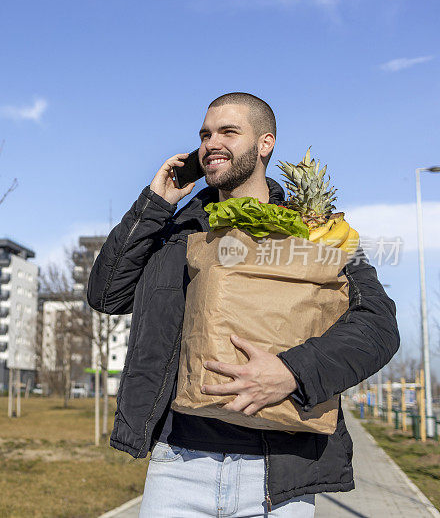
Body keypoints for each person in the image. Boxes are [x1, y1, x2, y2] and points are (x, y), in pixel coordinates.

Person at [87, 92, 400, 517]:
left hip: (278, 474)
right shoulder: (175, 230)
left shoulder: (319, 231)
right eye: (205, 134)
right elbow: (107, 295)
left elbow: (378, 325)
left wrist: (293, 371)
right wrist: (156, 203)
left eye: (228, 132)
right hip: (177, 465)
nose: (211, 143)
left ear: (265, 143)